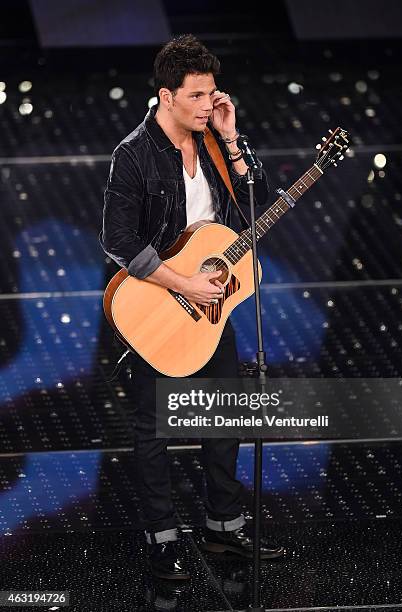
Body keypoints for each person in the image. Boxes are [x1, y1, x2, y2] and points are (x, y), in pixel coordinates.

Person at [100, 34, 284, 580]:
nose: (209, 104)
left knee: (223, 416)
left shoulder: (214, 142)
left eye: (212, 93)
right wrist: (181, 282)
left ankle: (223, 527)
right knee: (154, 428)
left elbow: (257, 200)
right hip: (157, 307)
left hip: (211, 306)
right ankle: (163, 539)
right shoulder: (132, 155)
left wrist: (231, 138)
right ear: (166, 96)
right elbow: (119, 240)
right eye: (198, 95)